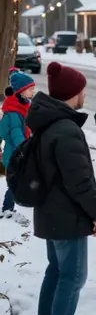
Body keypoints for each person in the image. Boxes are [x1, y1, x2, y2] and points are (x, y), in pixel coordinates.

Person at [26, 61, 96, 315]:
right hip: (66, 217)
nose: (85, 94)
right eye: (82, 89)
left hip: (51, 213)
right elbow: (79, 182)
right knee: (73, 277)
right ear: (74, 92)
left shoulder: (49, 123)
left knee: (57, 271)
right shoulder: (66, 129)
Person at [1, 68, 36, 219]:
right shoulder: (14, 112)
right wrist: (25, 148)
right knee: (15, 182)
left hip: (19, 152)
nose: (33, 92)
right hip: (14, 154)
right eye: (30, 89)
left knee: (17, 181)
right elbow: (16, 134)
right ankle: (7, 208)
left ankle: (9, 207)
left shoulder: (23, 106)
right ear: (21, 91)